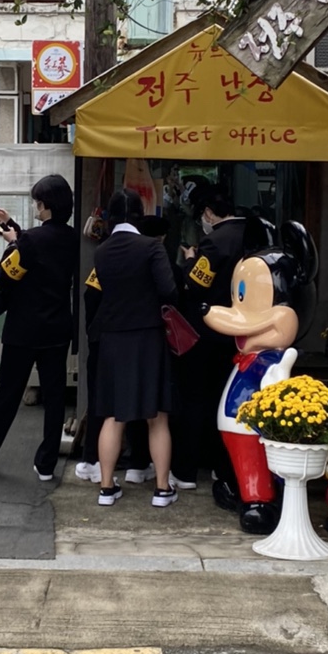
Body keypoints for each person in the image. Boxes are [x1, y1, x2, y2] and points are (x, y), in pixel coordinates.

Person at [0, 173, 77, 480]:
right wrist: (13, 229)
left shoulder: (31, 241)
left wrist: (13, 242)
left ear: (45, 206)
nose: (35, 206)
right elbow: (39, 250)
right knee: (54, 397)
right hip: (58, 327)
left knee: (7, 394)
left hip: (24, 329)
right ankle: (46, 464)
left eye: (37, 202)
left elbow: (12, 270)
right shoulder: (73, 238)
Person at [88, 188, 178, 508]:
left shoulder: (102, 251)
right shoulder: (151, 247)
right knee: (157, 417)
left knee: (114, 415)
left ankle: (106, 488)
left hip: (113, 338)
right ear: (140, 216)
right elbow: (169, 290)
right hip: (148, 337)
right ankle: (162, 490)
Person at [177, 189, 248, 503]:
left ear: (208, 212)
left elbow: (196, 284)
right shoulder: (251, 235)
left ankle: (187, 470)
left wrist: (191, 260)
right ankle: (226, 467)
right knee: (230, 401)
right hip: (241, 332)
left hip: (207, 331)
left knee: (196, 399)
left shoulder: (215, 242)